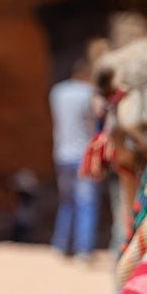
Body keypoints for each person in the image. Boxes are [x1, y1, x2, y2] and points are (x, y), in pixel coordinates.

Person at [49, 57, 100, 258]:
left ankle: (60, 245)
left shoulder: (57, 92)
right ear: (87, 75)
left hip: (61, 153)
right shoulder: (89, 93)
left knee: (66, 201)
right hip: (82, 155)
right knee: (86, 203)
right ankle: (83, 250)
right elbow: (96, 118)